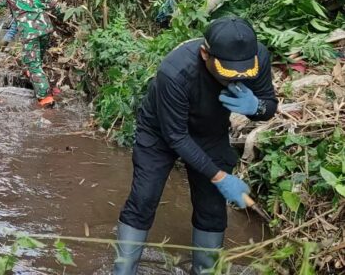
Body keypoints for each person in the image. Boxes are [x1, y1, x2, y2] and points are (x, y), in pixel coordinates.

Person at [113, 17, 278, 275]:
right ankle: (123, 270)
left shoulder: (257, 58)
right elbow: (176, 137)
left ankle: (205, 271)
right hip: (161, 131)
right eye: (227, 72)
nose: (237, 78)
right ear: (205, 54)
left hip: (210, 132)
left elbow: (269, 106)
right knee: (144, 199)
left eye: (243, 72)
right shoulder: (176, 71)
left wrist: (256, 106)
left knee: (212, 208)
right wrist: (220, 176)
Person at [0, 0, 57, 108]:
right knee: (36, 60)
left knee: (33, 63)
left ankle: (46, 98)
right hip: (45, 28)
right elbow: (53, 5)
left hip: (29, 30)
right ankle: (32, 75)